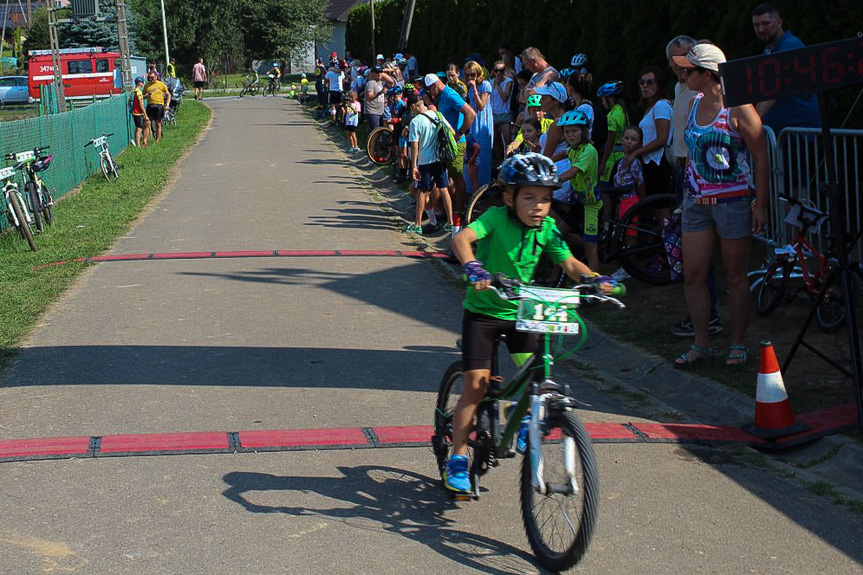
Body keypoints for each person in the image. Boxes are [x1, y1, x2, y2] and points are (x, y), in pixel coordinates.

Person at [445, 153, 605, 494]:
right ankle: (457, 456)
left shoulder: (547, 229)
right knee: (475, 386)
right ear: (509, 197)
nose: (538, 206)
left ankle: (524, 418)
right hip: (484, 312)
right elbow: (461, 239)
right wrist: (473, 266)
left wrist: (595, 279)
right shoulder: (495, 218)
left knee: (538, 372)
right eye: (529, 197)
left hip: (523, 311)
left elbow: (570, 262)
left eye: (545, 199)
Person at [670, 44, 769, 368]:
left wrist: (760, 206)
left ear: (709, 74)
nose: (684, 74)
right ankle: (702, 343)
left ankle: (738, 342)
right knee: (694, 274)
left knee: (736, 276)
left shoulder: (739, 108)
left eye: (690, 70)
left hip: (733, 201)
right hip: (696, 203)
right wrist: (685, 197)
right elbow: (691, 157)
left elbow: (760, 157)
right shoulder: (695, 102)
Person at [666, 35, 724, 338]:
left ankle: (709, 314)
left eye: (686, 60)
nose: (680, 67)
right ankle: (700, 313)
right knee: (687, 253)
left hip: (704, 176)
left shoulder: (702, 91)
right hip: (682, 170)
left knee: (702, 253)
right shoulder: (681, 87)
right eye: (675, 62)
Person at [751, 3, 820, 136]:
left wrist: (751, 120)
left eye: (766, 23)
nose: (761, 29)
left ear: (779, 22)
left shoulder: (790, 46)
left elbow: (774, 90)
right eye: (756, 25)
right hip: (783, 132)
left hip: (799, 134)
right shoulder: (768, 50)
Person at [424, 73, 476, 236]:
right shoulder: (441, 97)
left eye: (431, 89)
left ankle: (460, 211)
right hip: (447, 143)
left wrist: (460, 133)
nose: (431, 93)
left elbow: (470, 113)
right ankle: (450, 210)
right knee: (449, 178)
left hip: (456, 143)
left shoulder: (450, 94)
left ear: (436, 84)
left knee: (457, 176)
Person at [553, 110, 601, 271]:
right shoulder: (574, 149)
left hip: (590, 204)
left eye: (575, 131)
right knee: (560, 233)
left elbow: (573, 172)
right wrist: (544, 160)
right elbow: (562, 153)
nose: (571, 135)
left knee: (591, 252)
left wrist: (554, 180)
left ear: (583, 131)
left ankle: (596, 291)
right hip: (578, 202)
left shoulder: (588, 150)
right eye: (567, 132)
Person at [406, 92, 455, 236]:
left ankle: (417, 224)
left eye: (411, 109)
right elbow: (451, 131)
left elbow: (414, 145)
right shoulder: (437, 115)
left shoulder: (415, 122)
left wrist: (414, 165)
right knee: (444, 188)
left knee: (421, 191)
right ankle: (450, 223)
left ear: (413, 106)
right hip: (439, 159)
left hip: (424, 161)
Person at [624, 66, 672, 202]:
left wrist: (636, 152)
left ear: (660, 85)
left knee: (660, 208)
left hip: (658, 162)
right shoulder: (651, 107)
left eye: (650, 82)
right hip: (649, 161)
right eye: (642, 82)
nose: (645, 86)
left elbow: (662, 139)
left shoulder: (661, 106)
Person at [464, 60, 493, 191]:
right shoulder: (469, 86)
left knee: (483, 152)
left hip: (483, 120)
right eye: (468, 75)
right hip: (474, 121)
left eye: (473, 74)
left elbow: (482, 106)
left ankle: (483, 186)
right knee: (472, 152)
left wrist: (475, 89)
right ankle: (472, 186)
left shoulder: (485, 85)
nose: (470, 77)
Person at [490, 60, 515, 165]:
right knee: (495, 140)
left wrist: (498, 85)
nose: (499, 73)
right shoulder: (491, 82)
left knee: (507, 138)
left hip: (505, 112)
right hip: (494, 113)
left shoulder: (508, 81)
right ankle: (499, 161)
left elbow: (505, 97)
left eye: (501, 70)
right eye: (497, 70)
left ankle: (509, 160)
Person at [143, 71, 170, 143]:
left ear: (156, 77)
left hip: (159, 106)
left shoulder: (161, 84)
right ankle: (145, 140)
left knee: (158, 123)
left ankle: (157, 141)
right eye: (149, 78)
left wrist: (167, 104)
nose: (151, 79)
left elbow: (168, 94)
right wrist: (146, 95)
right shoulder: (147, 85)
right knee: (147, 123)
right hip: (150, 105)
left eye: (152, 77)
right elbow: (142, 96)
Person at [364, 66, 394, 131]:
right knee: (375, 132)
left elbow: (391, 81)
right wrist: (380, 93)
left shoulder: (380, 83)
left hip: (380, 111)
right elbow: (369, 97)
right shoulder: (371, 83)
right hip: (372, 111)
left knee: (378, 133)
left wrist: (382, 71)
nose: (379, 74)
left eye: (380, 72)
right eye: (377, 72)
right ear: (373, 73)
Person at [129, 76, 149, 148]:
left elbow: (129, 102)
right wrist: (145, 114)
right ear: (140, 83)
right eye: (142, 82)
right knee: (139, 128)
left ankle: (139, 143)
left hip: (134, 112)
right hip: (138, 112)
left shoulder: (133, 92)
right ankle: (138, 146)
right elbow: (141, 105)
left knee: (138, 127)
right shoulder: (139, 92)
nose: (143, 84)